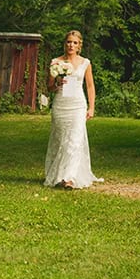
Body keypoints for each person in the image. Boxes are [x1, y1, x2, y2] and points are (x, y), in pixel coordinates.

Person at [43, 30, 103, 190]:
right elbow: (48, 86)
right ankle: (58, 174)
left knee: (74, 140)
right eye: (69, 42)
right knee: (61, 140)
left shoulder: (85, 63)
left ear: (79, 46)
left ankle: (69, 178)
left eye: (75, 43)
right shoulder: (56, 62)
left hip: (77, 105)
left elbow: (90, 86)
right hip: (61, 105)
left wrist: (91, 107)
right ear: (65, 44)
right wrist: (57, 84)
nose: (71, 45)